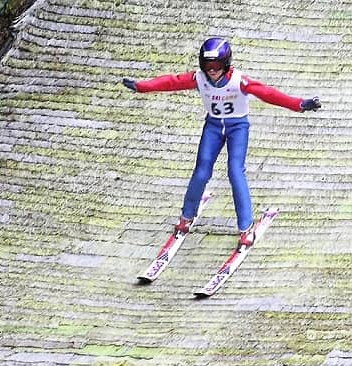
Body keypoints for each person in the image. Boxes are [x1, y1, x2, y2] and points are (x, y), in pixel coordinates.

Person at [122, 37, 321, 249]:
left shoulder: (238, 80)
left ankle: (246, 227)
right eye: (207, 65)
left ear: (225, 64)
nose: (212, 71)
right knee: (201, 171)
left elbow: (268, 93)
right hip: (214, 127)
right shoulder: (200, 78)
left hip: (237, 128)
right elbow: (172, 82)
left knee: (235, 172)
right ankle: (186, 216)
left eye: (216, 65)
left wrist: (299, 104)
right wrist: (141, 87)